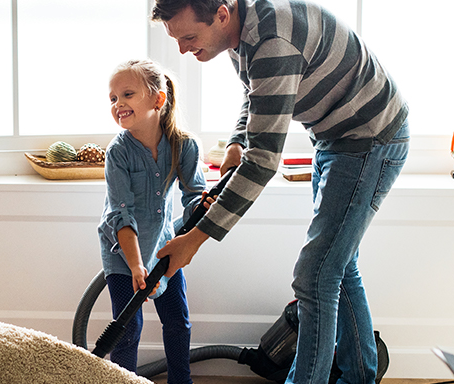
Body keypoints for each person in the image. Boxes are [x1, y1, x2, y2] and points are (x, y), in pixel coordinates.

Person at [150, 1, 410, 384]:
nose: (183, 50)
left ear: (222, 13)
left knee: (315, 275)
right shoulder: (241, 30)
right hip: (334, 137)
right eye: (176, 39)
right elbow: (259, 91)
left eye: (188, 37)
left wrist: (194, 240)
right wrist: (239, 141)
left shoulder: (273, 39)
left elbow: (263, 164)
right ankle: (360, 377)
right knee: (337, 264)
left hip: (369, 138)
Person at [97, 59, 208, 384]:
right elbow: (121, 214)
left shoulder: (184, 145)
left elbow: (194, 199)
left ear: (158, 99)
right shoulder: (118, 152)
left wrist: (196, 222)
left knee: (177, 321)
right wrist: (134, 266)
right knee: (128, 327)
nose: (118, 104)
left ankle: (181, 381)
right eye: (113, 98)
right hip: (121, 252)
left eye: (127, 94)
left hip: (164, 247)